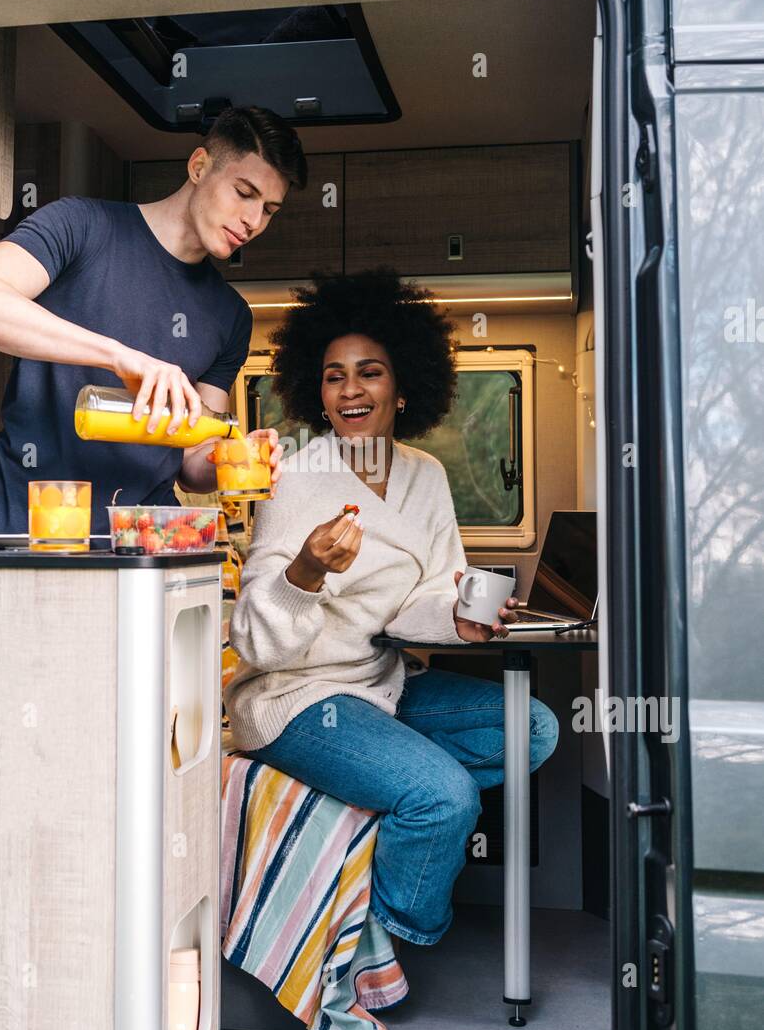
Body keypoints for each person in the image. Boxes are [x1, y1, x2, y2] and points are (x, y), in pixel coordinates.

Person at [223, 267, 560, 948]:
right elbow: (256, 640)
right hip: (296, 695)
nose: (350, 389)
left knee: (535, 727)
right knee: (445, 796)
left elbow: (426, 596)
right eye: (333, 375)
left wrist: (460, 618)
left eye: (369, 372)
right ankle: (386, 942)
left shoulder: (426, 476)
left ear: (403, 386)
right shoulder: (298, 479)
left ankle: (396, 802)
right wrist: (306, 572)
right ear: (316, 391)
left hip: (382, 684)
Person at [0, 106, 307, 538]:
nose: (253, 221)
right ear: (199, 166)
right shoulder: (82, 225)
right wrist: (119, 358)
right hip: (19, 534)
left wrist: (234, 458)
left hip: (141, 548)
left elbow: (192, 458)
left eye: (270, 210)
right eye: (244, 192)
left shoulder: (231, 315)